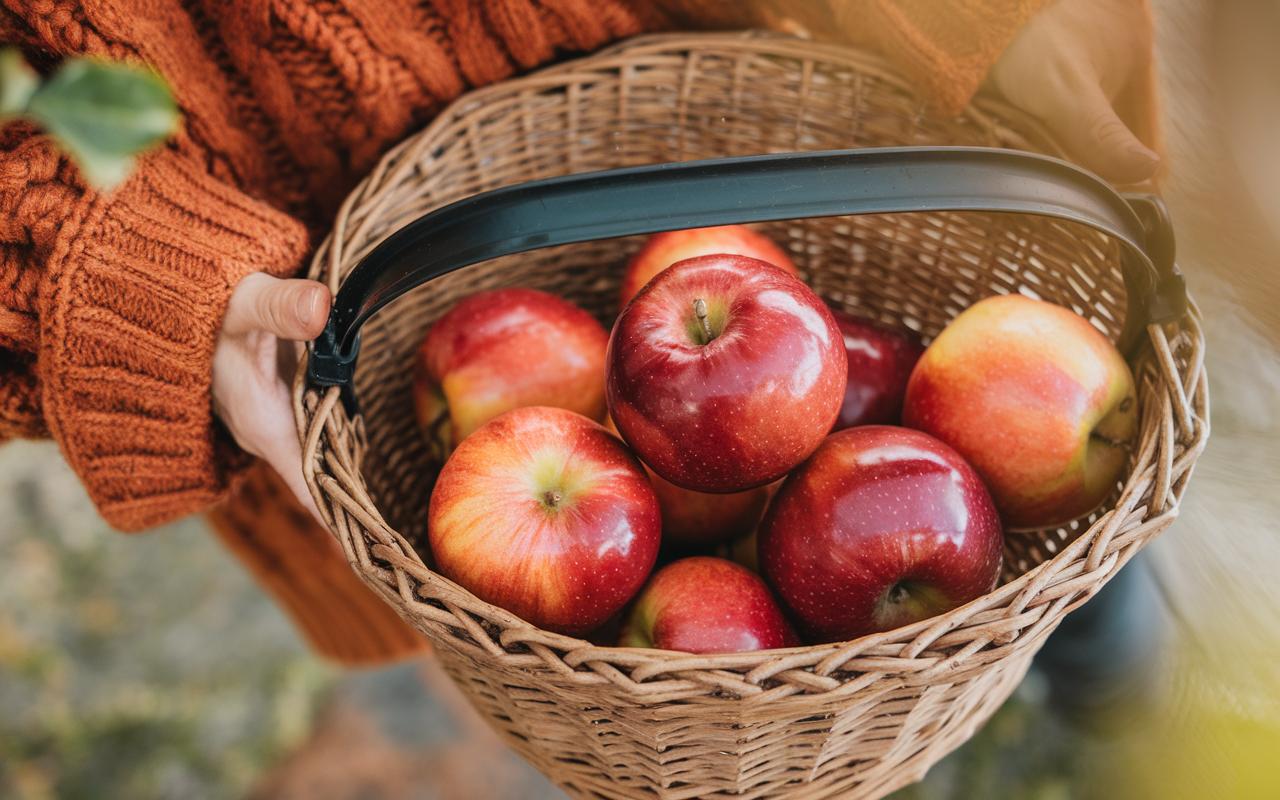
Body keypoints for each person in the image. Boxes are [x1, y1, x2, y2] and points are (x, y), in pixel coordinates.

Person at [0, 0, 1160, 664]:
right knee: (563, 666)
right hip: (312, 331)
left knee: (1050, 551)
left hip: (732, 121)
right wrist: (134, 279)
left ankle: (1110, 687)